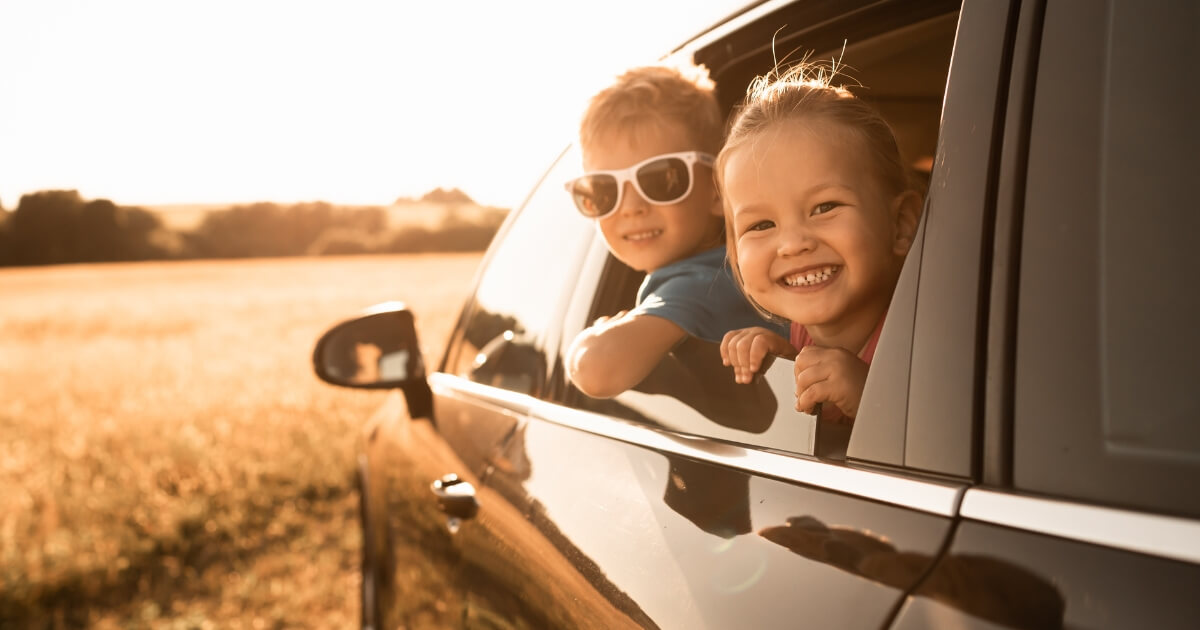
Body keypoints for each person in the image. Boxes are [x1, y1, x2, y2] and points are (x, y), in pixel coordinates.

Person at [564, 63, 788, 399]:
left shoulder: (704, 282)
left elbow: (599, 371)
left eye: (660, 179)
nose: (630, 207)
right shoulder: (716, 273)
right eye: (603, 190)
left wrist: (588, 338)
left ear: (718, 188)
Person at [716, 63, 923, 424]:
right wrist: (784, 363)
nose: (793, 244)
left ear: (901, 224)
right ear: (735, 256)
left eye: (825, 207)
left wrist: (870, 402)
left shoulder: (928, 342)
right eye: (761, 224)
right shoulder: (798, 333)